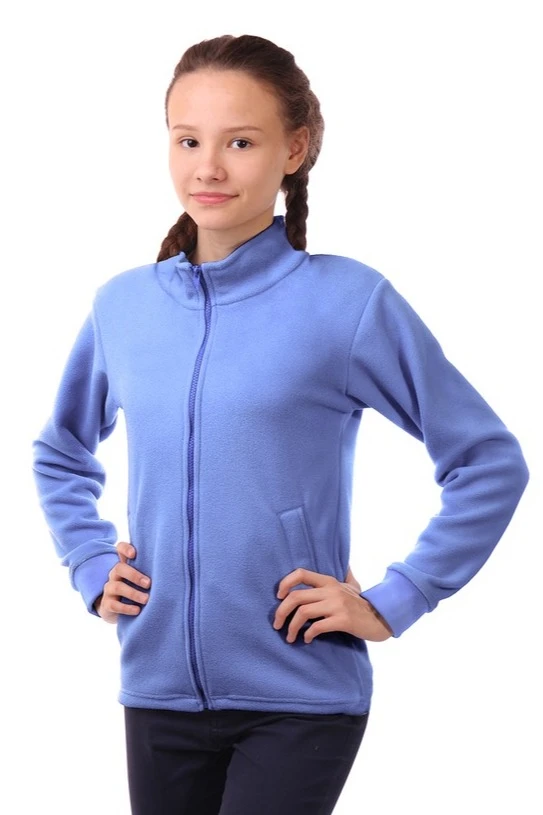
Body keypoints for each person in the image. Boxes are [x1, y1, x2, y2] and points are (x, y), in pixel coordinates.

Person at [32, 33, 530, 815]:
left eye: (239, 142)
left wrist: (398, 596)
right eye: (188, 140)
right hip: (156, 687)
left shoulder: (345, 302)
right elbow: (60, 450)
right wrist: (90, 561)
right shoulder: (122, 307)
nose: (208, 167)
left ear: (293, 150)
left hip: (299, 692)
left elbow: (488, 460)